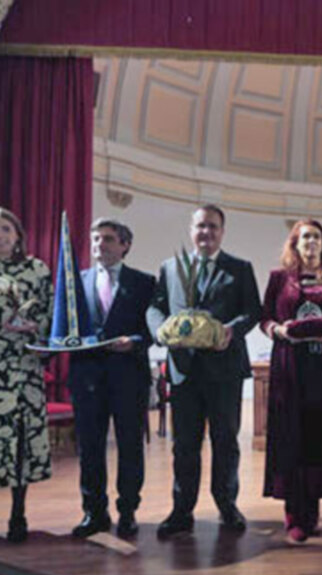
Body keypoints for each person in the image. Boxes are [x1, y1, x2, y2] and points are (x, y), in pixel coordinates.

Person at [147, 204, 261, 539]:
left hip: (224, 370)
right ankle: (182, 511)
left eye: (212, 227)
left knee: (225, 442)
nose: (206, 232)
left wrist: (231, 330)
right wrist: (160, 329)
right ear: (191, 230)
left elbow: (253, 310)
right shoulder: (169, 268)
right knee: (184, 445)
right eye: (200, 226)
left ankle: (227, 505)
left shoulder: (239, 268)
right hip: (183, 371)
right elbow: (156, 307)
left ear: (222, 232)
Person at [261, 220, 322, 543]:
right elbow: (266, 318)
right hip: (289, 366)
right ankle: (292, 512)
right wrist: (280, 331)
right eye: (304, 237)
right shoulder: (279, 278)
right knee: (290, 434)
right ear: (295, 244)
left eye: (316, 236)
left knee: (316, 436)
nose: (310, 242)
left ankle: (311, 511)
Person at [68, 218, 155, 539]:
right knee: (90, 449)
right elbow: (65, 326)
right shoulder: (75, 281)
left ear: (125, 245)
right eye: (95, 239)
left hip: (129, 376)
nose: (99, 245)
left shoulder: (145, 283)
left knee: (131, 447)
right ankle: (94, 512)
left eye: (107, 239)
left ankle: (128, 511)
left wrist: (134, 341)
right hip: (86, 378)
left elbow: (154, 330)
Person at [0, 208, 54, 542]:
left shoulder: (37, 269)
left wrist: (38, 329)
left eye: (6, 229)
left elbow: (52, 312)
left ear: (18, 234)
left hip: (24, 368)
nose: (1, 236)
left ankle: (18, 514)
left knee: (20, 443)